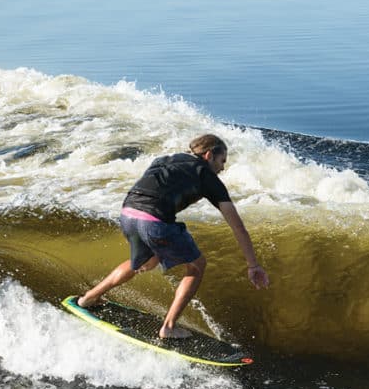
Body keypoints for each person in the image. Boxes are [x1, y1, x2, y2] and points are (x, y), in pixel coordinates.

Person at [77, 134, 269, 338]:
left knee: (146, 263)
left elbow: (151, 188)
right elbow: (238, 227)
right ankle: (168, 327)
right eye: (222, 161)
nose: (222, 168)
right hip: (155, 222)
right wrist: (253, 265)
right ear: (208, 155)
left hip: (127, 214)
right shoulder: (208, 177)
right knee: (197, 265)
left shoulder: (163, 160)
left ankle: (89, 298)